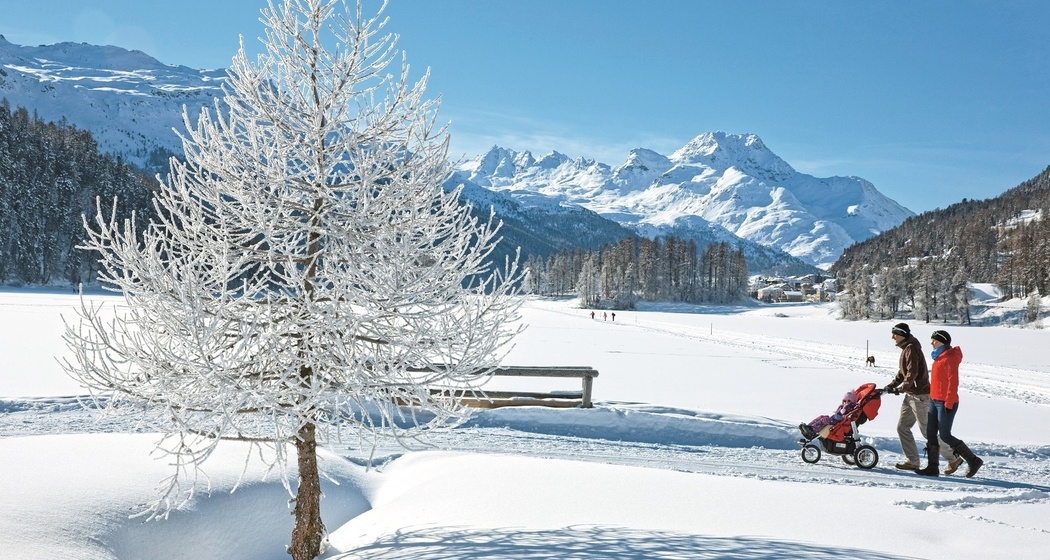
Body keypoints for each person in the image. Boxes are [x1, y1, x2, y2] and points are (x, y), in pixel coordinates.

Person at [883, 323, 957, 471]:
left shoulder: (911, 348)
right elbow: (903, 372)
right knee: (902, 427)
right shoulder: (907, 348)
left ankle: (953, 458)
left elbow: (913, 372)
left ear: (902, 334)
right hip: (911, 395)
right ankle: (913, 461)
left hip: (920, 396)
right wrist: (891, 385)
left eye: (895, 334)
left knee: (926, 432)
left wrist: (903, 387)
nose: (892, 337)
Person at [916, 330, 984, 477]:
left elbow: (953, 383)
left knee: (945, 435)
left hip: (946, 403)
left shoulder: (949, 358)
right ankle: (932, 467)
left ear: (942, 341)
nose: (931, 343)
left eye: (934, 340)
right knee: (931, 433)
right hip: (934, 400)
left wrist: (949, 402)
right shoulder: (939, 357)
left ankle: (973, 460)